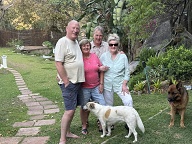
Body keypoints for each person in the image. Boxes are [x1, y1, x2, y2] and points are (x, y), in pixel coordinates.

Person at [55, 20, 85, 144]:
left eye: (77, 28)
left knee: (72, 108)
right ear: (67, 28)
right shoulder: (62, 42)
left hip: (77, 81)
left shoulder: (75, 42)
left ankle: (68, 132)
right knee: (69, 110)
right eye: (73, 28)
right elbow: (58, 63)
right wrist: (66, 80)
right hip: (69, 82)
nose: (75, 30)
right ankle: (62, 138)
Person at [79, 39, 106, 135]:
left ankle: (101, 123)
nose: (86, 47)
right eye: (84, 46)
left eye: (87, 45)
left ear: (90, 47)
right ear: (81, 48)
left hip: (96, 86)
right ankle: (84, 125)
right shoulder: (79, 58)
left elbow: (101, 69)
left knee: (102, 105)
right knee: (84, 107)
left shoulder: (94, 56)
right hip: (84, 88)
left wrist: (101, 84)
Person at [100, 33, 133, 107]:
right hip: (107, 85)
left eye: (115, 44)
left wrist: (124, 84)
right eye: (111, 44)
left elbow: (127, 72)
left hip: (120, 84)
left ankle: (130, 117)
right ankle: (108, 118)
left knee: (128, 101)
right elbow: (100, 70)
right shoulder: (103, 56)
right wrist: (101, 84)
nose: (113, 46)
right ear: (108, 45)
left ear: (118, 45)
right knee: (108, 106)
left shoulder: (123, 56)